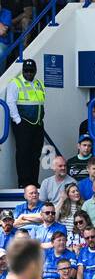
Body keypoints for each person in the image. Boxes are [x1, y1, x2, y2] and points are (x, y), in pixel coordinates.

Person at [5, 58, 45, 189]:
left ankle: (33, 181)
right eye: (26, 71)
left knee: (35, 154)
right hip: (23, 124)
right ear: (22, 71)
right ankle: (24, 182)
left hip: (38, 123)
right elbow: (10, 102)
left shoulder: (39, 83)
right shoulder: (15, 83)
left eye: (31, 71)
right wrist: (18, 121)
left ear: (35, 71)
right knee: (23, 153)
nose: (28, 73)